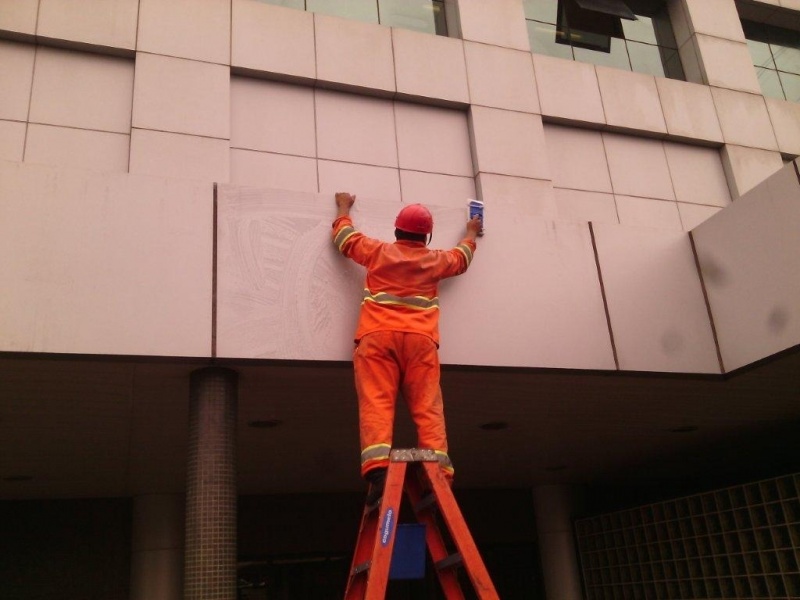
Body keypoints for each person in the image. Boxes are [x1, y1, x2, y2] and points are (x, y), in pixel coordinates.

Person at [332, 192, 481, 495]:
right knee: (427, 406)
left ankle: (376, 471)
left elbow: (345, 238)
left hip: (376, 337)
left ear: (397, 230)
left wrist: (343, 207)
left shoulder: (378, 252)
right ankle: (438, 475)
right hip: (420, 343)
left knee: (377, 400)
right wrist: (470, 232)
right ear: (426, 236)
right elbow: (462, 258)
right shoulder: (435, 260)